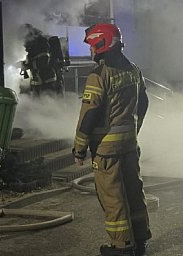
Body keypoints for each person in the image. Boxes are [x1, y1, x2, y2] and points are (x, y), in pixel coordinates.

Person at [72, 23, 151, 256]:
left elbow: (89, 116)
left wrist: (79, 148)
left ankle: (122, 246)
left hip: (106, 150)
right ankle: (140, 239)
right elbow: (144, 103)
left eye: (92, 46)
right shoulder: (133, 69)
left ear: (101, 43)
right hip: (129, 144)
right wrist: (134, 129)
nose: (91, 51)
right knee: (134, 191)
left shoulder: (99, 76)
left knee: (113, 198)